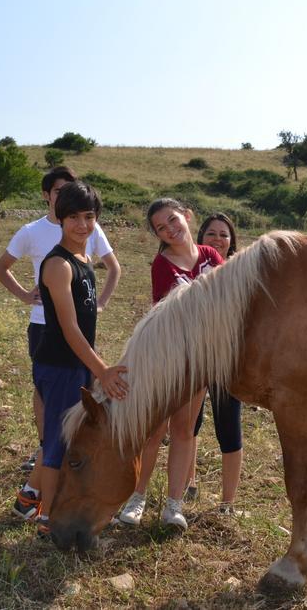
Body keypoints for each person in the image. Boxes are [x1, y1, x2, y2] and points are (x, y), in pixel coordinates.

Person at [0, 167, 121, 521]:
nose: (82, 225)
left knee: (64, 438)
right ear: (59, 219)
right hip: (58, 363)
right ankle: (47, 518)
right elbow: (68, 328)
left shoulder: (83, 260)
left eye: (89, 217)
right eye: (73, 218)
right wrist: (102, 369)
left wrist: (92, 368)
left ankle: (27, 503)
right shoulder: (57, 265)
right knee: (55, 445)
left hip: (76, 363)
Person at [116, 199, 224, 531]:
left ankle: (173, 506)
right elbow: (164, 314)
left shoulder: (211, 256)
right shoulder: (162, 264)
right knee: (154, 431)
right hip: (168, 358)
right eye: (161, 227)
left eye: (173, 220)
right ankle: (137, 497)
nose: (170, 229)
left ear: (187, 216)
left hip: (200, 359)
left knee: (184, 430)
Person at [183, 213, 244, 515]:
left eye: (224, 234)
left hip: (225, 361)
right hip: (193, 357)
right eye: (211, 233)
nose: (218, 239)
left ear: (232, 242)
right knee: (189, 424)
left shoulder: (240, 271)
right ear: (200, 237)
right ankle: (187, 482)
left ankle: (228, 503)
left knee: (228, 426)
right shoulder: (188, 267)